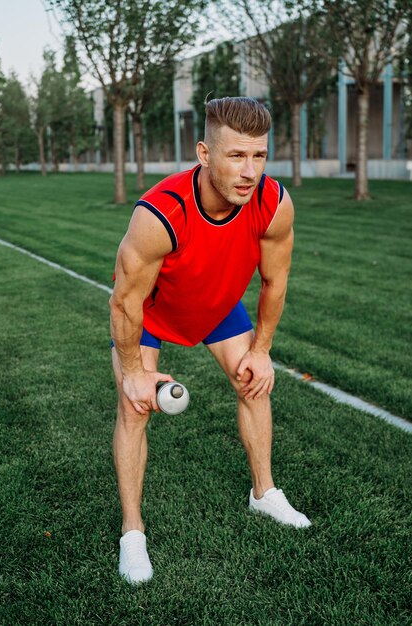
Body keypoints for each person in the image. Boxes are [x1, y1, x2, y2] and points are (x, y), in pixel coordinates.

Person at [109, 96, 311, 585]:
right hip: (155, 312)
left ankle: (263, 494)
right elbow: (125, 302)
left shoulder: (273, 203)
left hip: (218, 306)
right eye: (235, 155)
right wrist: (135, 371)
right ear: (204, 153)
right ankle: (132, 533)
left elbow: (275, 283)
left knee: (255, 382)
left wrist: (261, 351)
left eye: (258, 156)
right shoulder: (161, 213)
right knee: (134, 408)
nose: (249, 171)